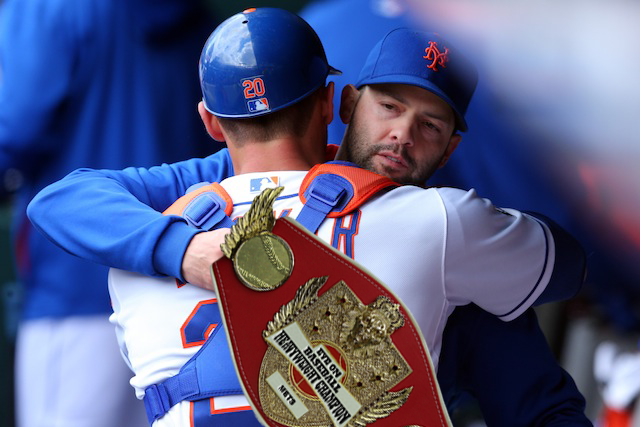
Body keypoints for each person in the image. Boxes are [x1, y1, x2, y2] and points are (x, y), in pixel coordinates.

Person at [27, 8, 586, 427]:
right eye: (389, 107)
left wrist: (178, 245)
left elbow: (60, 200)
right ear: (337, 105)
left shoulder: (170, 223)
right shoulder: (440, 226)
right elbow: (567, 264)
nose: (401, 136)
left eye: (430, 126)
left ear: (212, 122)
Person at [0, 0, 216, 426]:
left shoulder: (49, 7)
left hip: (75, 287)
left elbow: (13, 130)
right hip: (181, 299)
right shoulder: (199, 16)